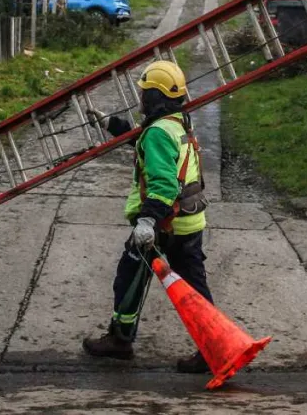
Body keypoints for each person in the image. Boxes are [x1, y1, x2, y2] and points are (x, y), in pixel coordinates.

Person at [82, 60, 212, 374]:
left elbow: (164, 183)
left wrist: (147, 222)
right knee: (194, 288)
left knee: (128, 278)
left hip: (166, 223)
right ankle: (213, 346)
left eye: (144, 92)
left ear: (154, 97)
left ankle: (120, 340)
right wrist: (109, 123)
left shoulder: (158, 132)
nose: (140, 98)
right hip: (189, 220)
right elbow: (142, 139)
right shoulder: (177, 121)